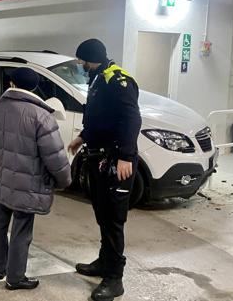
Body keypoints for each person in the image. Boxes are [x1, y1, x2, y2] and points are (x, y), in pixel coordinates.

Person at [0, 67, 72, 291]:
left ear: (12, 84)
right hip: (28, 187)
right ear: (34, 88)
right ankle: (15, 278)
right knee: (21, 230)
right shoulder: (41, 116)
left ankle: (0, 268)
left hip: (1, 183)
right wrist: (64, 180)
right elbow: (55, 158)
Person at [67, 38, 142, 301]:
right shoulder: (98, 78)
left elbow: (131, 119)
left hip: (115, 162)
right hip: (99, 158)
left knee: (113, 219)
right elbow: (101, 117)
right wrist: (83, 136)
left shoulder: (117, 79)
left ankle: (115, 278)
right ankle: (103, 262)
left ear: (91, 57)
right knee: (102, 213)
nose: (81, 66)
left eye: (82, 61)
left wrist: (126, 157)